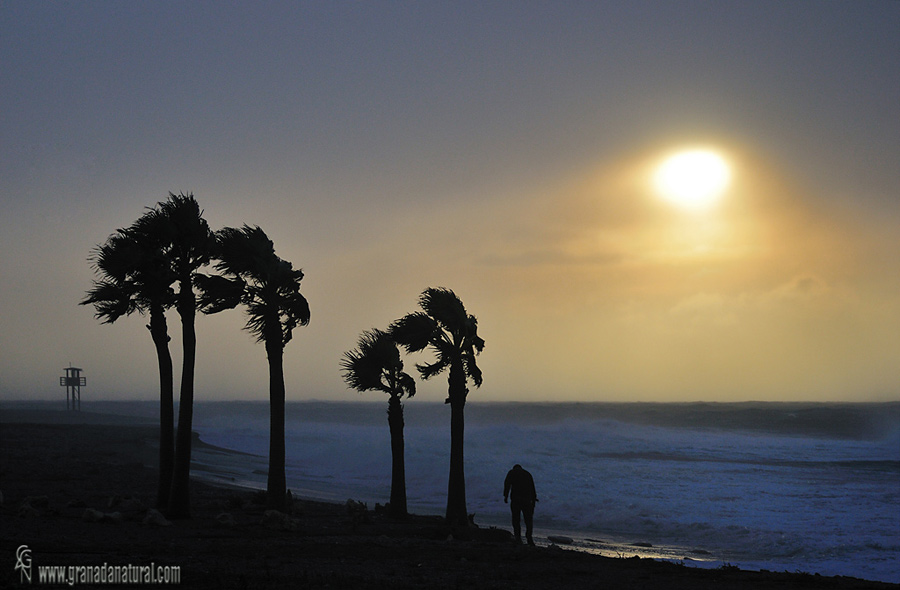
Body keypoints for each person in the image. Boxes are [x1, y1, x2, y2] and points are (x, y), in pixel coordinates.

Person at [503, 464, 537, 545]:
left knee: (516, 519)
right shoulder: (527, 474)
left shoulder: (511, 473)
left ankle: (518, 537)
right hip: (527, 500)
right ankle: (529, 537)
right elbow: (532, 488)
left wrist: (506, 496)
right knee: (528, 520)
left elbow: (507, 484)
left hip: (516, 499)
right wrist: (534, 500)